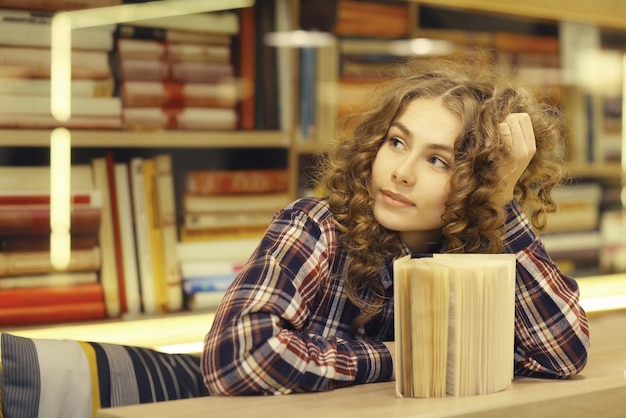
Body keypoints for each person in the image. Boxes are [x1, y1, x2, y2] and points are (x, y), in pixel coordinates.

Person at [201, 55, 590, 396]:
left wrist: (499, 203)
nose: (402, 172)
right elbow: (239, 358)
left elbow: (563, 356)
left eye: (438, 161)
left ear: (479, 182)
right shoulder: (315, 226)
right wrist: (399, 356)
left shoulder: (478, 254)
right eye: (397, 143)